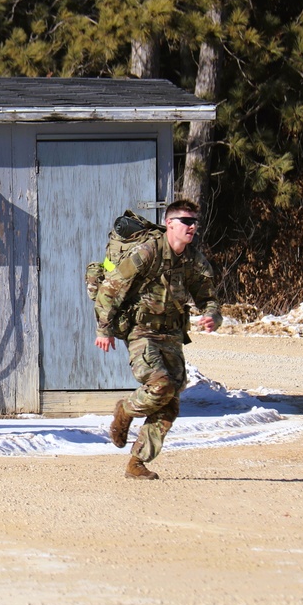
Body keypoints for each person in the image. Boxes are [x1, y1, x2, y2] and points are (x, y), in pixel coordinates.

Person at [94, 199, 222, 479]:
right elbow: (110, 290)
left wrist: (212, 314)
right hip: (141, 332)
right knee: (160, 386)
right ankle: (125, 411)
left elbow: (208, 296)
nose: (192, 227)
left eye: (195, 222)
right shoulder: (147, 252)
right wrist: (104, 330)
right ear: (169, 224)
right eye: (186, 222)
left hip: (172, 335)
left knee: (171, 401)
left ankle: (137, 463)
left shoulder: (193, 259)